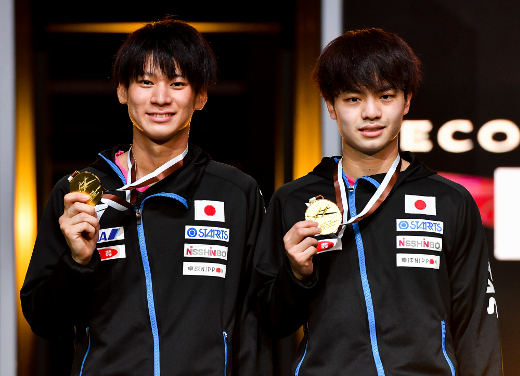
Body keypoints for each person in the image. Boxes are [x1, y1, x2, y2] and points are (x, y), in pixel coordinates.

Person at [21, 18, 268, 376]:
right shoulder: (76, 193)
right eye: (146, 82)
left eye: (177, 83)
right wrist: (76, 263)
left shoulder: (236, 193)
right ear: (122, 91)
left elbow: (256, 320)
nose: (160, 98)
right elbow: (44, 321)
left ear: (200, 96)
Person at [252, 28, 502, 375]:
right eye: (353, 98)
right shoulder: (292, 200)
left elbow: (477, 324)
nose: (371, 112)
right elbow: (270, 322)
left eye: (385, 96)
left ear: (407, 101)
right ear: (331, 106)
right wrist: (296, 275)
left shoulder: (450, 200)